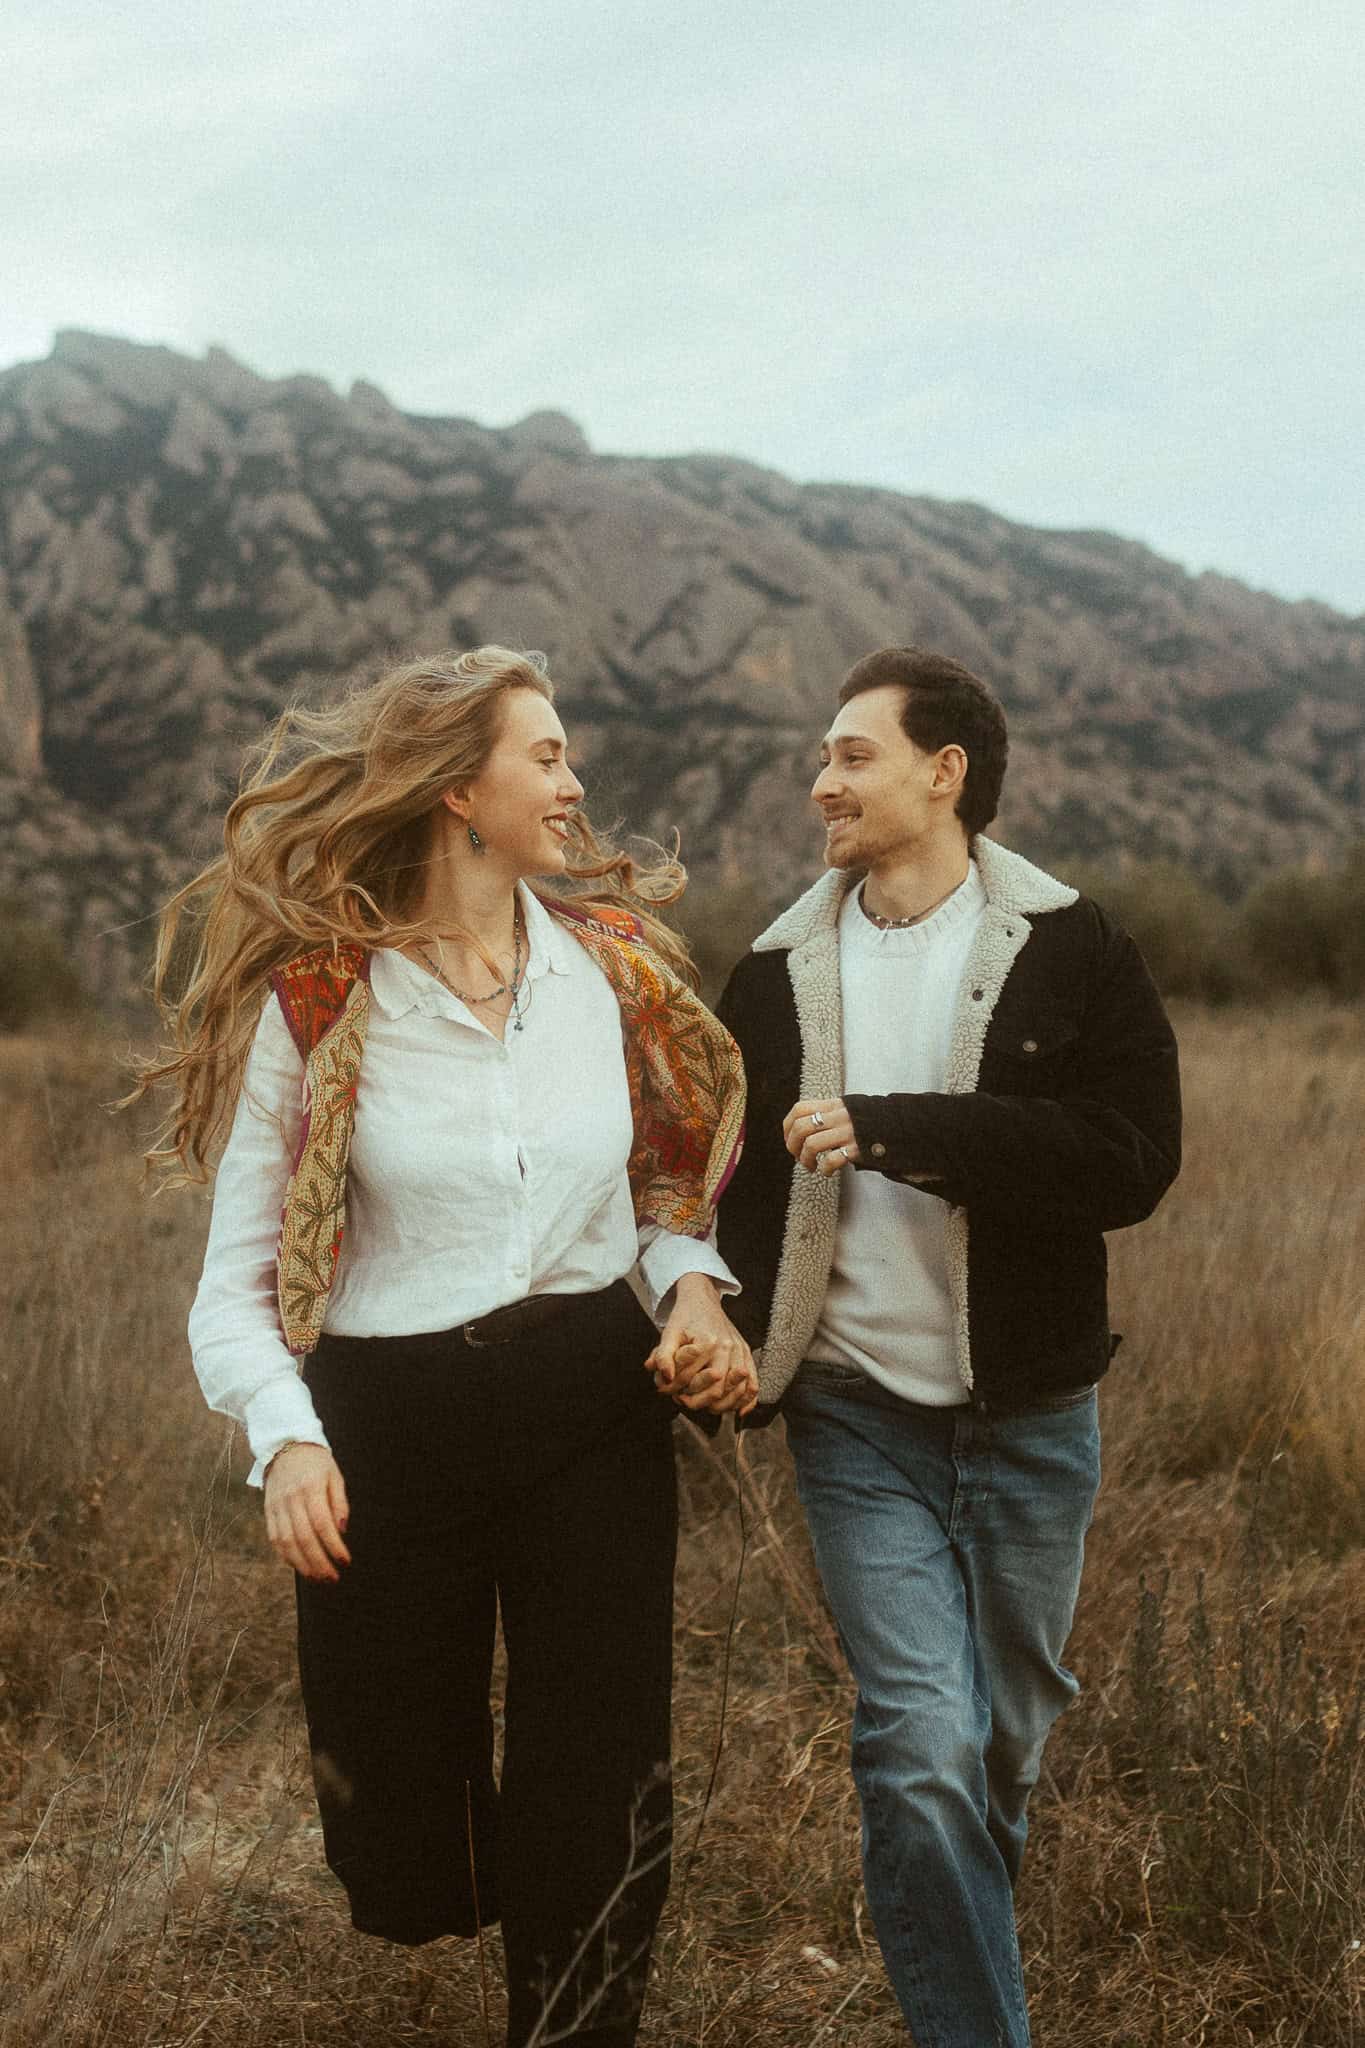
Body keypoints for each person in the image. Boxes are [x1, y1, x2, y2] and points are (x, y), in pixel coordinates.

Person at [132, 645, 758, 2048]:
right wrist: (288, 1440)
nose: (574, 780)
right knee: (399, 1815)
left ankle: (576, 2021)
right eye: (544, 754)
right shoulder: (319, 1003)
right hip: (387, 1425)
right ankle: (446, 1878)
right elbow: (231, 1286)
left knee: (595, 1774)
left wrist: (697, 1296)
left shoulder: (614, 974)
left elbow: (663, 1192)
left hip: (588, 1405)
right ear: (454, 791)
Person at [689, 645, 1181, 2046]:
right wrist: (703, 1318)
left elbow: (1133, 1160)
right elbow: (710, 1192)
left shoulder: (1072, 945)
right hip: (857, 1419)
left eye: (850, 754)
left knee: (999, 1750)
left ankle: (962, 1955)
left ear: (942, 772)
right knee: (918, 1750)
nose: (818, 780)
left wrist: (901, 1130)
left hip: (1030, 1420)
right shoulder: (773, 976)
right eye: (822, 757)